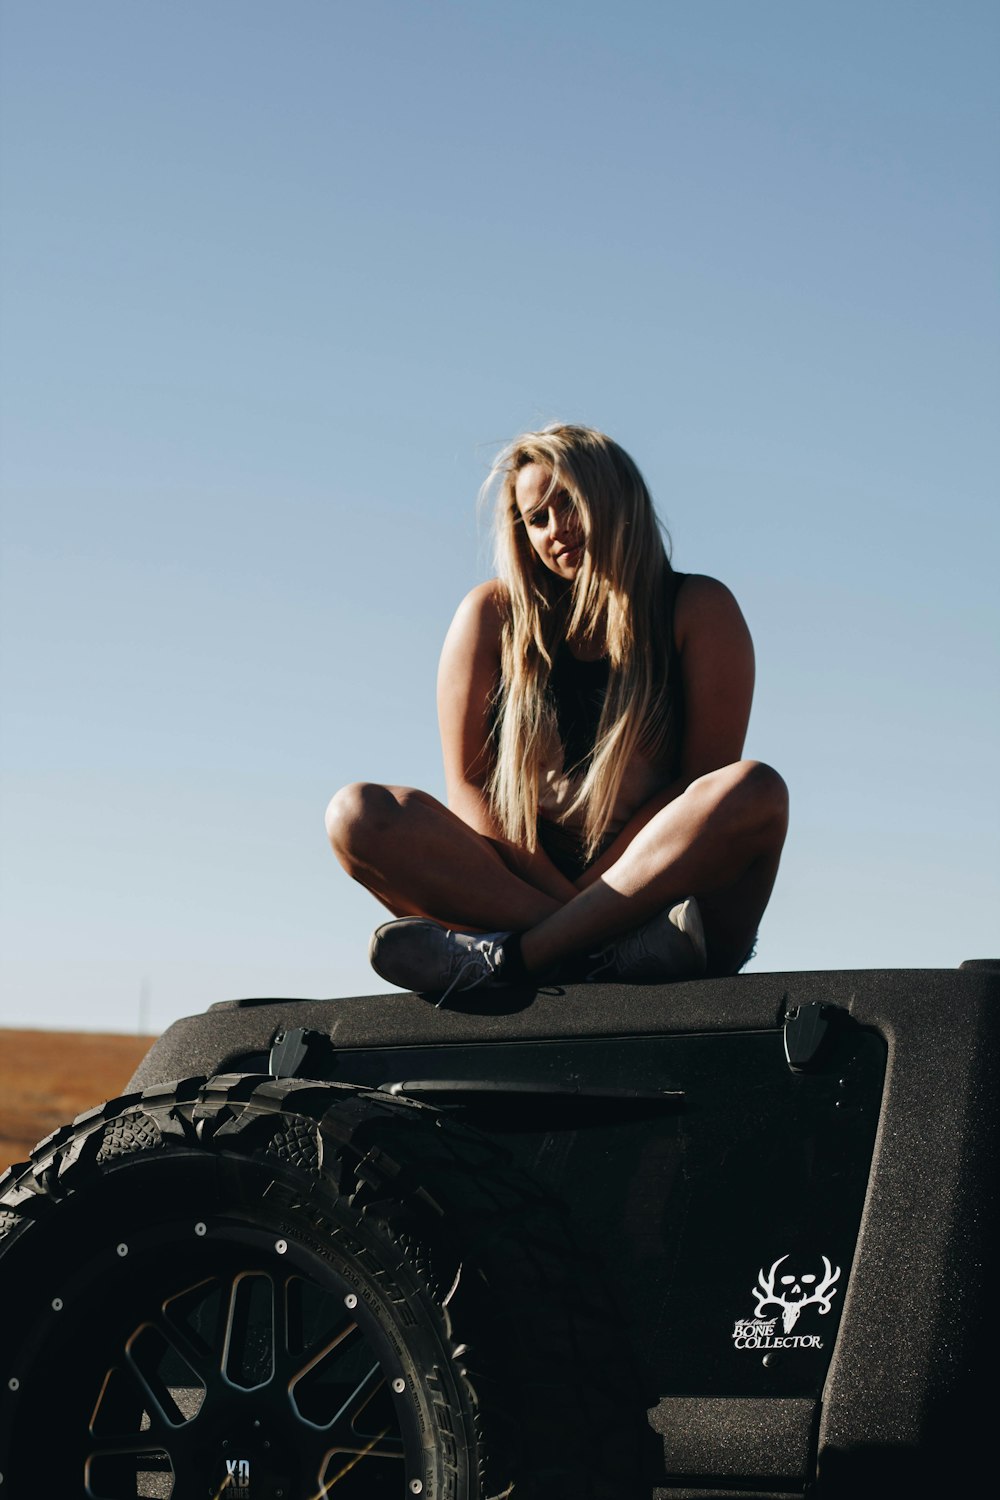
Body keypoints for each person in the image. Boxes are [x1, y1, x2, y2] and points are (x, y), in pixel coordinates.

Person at [325, 423, 788, 1002]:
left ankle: (516, 962)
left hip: (671, 915)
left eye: (567, 503)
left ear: (616, 500)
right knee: (359, 815)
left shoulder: (698, 608)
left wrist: (599, 900)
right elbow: (470, 786)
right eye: (535, 519)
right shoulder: (490, 614)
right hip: (518, 891)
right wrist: (570, 910)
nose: (553, 530)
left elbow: (698, 789)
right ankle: (586, 955)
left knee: (754, 791)